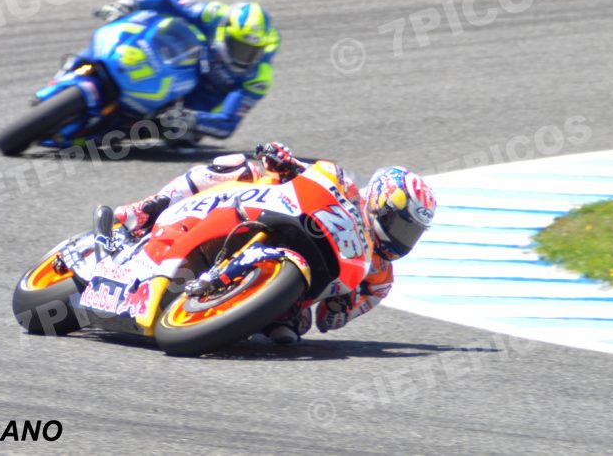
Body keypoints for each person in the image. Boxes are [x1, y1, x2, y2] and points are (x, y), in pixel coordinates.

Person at [113, 142, 437, 344]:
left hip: (298, 284)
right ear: (380, 202)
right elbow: (308, 175)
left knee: (292, 332)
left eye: (410, 233)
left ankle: (221, 313)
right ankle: (145, 209)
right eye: (400, 224)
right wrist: (284, 161)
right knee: (238, 166)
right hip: (268, 213)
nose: (399, 236)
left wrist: (343, 306)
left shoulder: (380, 279)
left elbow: (329, 321)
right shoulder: (345, 185)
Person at [96, 0, 280, 141]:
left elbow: (227, 124)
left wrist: (193, 119)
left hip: (201, 103)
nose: (244, 57)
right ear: (225, 32)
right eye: (239, 47)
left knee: (179, 136)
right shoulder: (213, 15)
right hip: (178, 64)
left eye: (252, 51)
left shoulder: (258, 77)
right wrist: (129, 3)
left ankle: (111, 132)